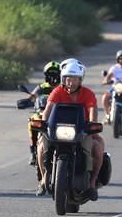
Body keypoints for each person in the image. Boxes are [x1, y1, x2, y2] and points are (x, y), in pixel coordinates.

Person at [36, 60, 104, 200]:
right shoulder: (57, 91)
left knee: (97, 147)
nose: (70, 82)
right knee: (41, 144)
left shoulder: (88, 93)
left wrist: (92, 124)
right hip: (58, 129)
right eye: (67, 78)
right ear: (63, 79)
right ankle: (43, 178)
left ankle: (91, 184)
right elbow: (48, 110)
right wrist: (43, 122)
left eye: (74, 79)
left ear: (80, 80)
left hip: (81, 130)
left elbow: (92, 110)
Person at [25, 61, 61, 166]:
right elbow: (32, 96)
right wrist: (26, 101)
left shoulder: (62, 88)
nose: (53, 77)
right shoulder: (42, 87)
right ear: (46, 75)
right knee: (32, 122)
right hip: (42, 113)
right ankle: (33, 151)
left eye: (55, 74)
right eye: (50, 74)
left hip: (59, 115)